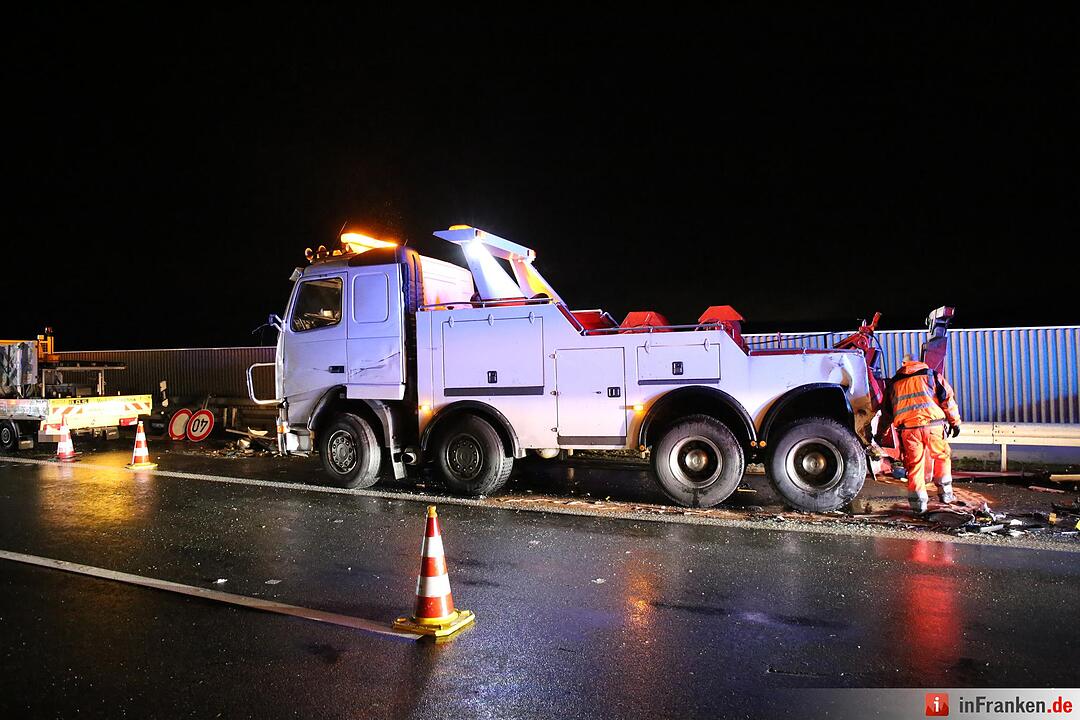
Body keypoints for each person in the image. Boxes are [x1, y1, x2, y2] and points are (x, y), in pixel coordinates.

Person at [878, 354, 962, 513]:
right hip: (933, 427)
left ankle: (918, 504)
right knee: (941, 456)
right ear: (919, 362)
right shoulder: (932, 376)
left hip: (909, 431)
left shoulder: (894, 383)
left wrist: (880, 434)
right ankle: (945, 494)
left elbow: (886, 414)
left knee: (915, 465)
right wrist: (955, 423)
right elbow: (948, 400)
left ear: (903, 365)